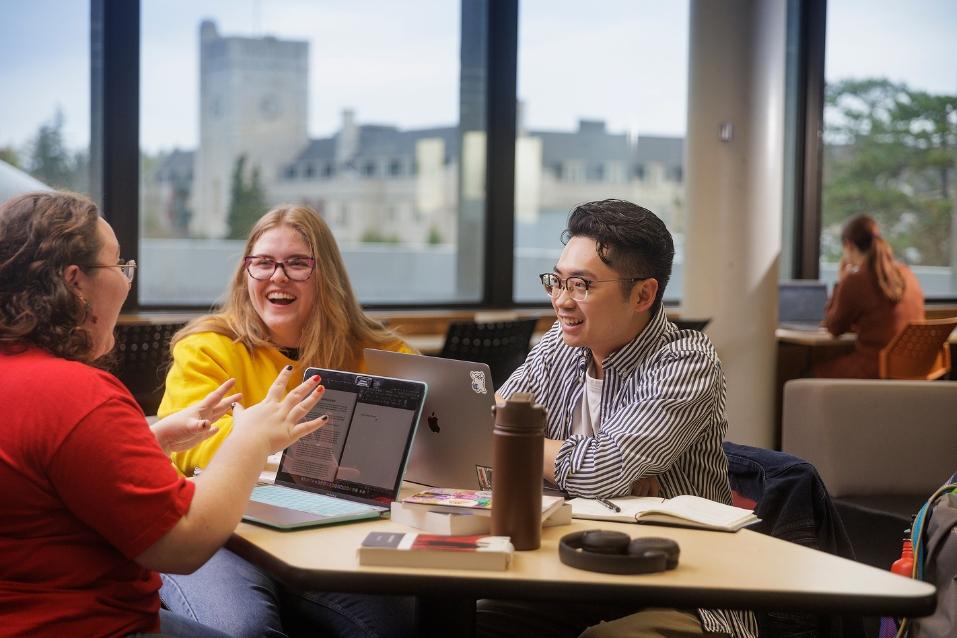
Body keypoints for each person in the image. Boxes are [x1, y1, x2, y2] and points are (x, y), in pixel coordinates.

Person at [0, 191, 328, 637]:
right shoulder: (79, 395)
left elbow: (46, 486)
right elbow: (183, 547)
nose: (126, 280)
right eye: (119, 266)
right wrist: (250, 438)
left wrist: (154, 440)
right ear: (75, 281)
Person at [476, 199, 757, 638]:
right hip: (573, 572)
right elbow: (484, 428)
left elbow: (599, 471)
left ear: (643, 294)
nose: (561, 302)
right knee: (472, 618)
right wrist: (577, 465)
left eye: (582, 285)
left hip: (684, 588)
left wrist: (530, 450)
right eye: (557, 281)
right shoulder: (562, 343)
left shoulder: (686, 360)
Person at [157, 204, 416, 638]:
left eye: (297, 264)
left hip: (324, 530)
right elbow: (192, 449)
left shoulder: (375, 350)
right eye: (262, 263)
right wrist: (286, 452)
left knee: (392, 624)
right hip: (217, 534)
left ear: (325, 275)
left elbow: (418, 432)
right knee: (246, 629)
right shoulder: (208, 347)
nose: (278, 276)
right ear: (246, 274)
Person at [813, 214, 924, 378]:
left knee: (804, 375)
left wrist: (841, 281)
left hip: (877, 369)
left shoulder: (856, 280)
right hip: (916, 368)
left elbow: (833, 327)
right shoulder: (907, 273)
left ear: (848, 245)